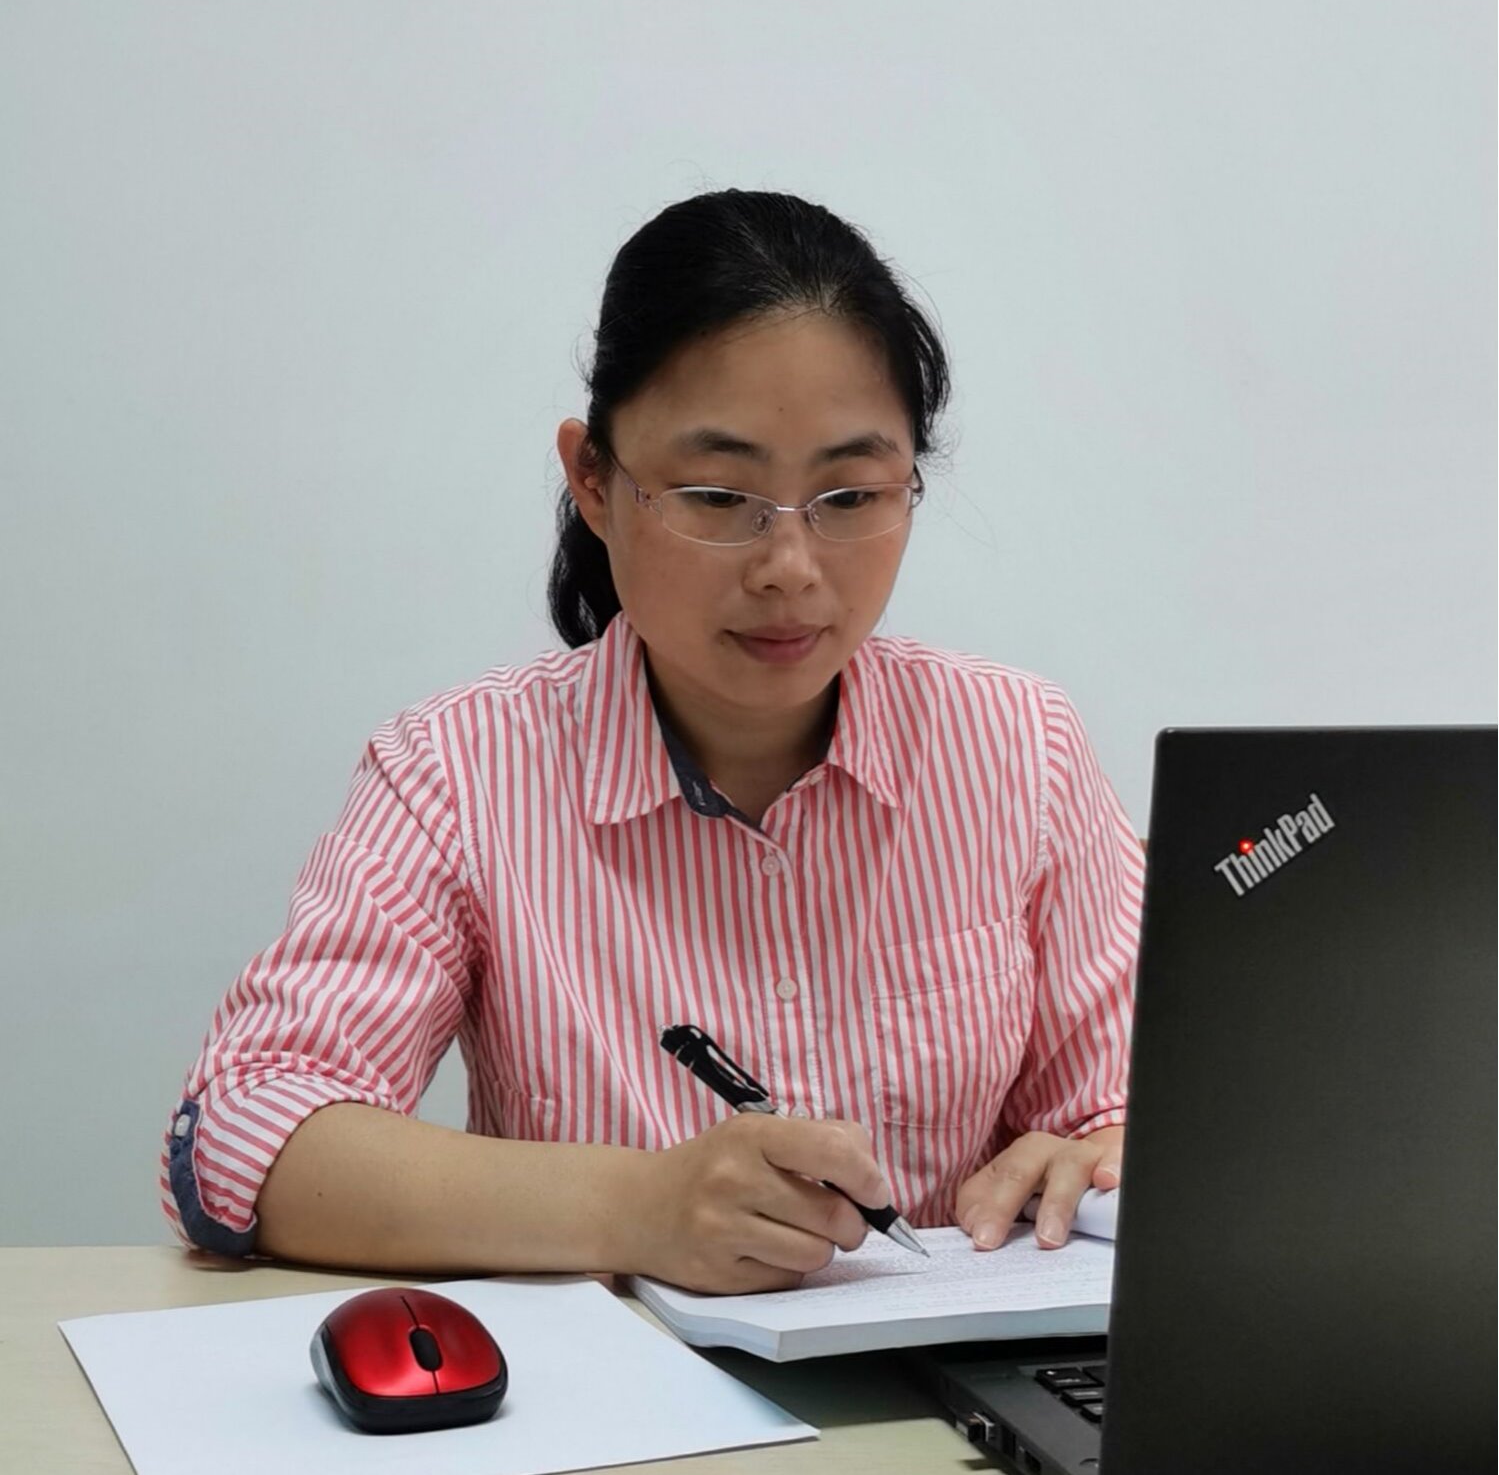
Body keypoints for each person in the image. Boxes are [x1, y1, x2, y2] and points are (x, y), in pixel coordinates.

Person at [160, 189, 1144, 1296]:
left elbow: (1133, 1109)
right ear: (594, 479)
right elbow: (241, 1133)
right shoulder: (459, 771)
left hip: (942, 1386)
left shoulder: (1016, 750)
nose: (788, 569)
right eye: (718, 496)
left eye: (849, 495)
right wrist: (634, 1209)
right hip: (609, 1384)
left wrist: (1101, 1160)